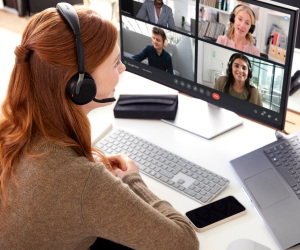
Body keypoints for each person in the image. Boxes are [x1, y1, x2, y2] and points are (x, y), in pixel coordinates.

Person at [0, 5, 199, 250]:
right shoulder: (84, 183)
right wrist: (132, 180)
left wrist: (94, 162)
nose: (123, 68)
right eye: (115, 63)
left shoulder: (10, 131)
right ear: (80, 85)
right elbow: (184, 243)